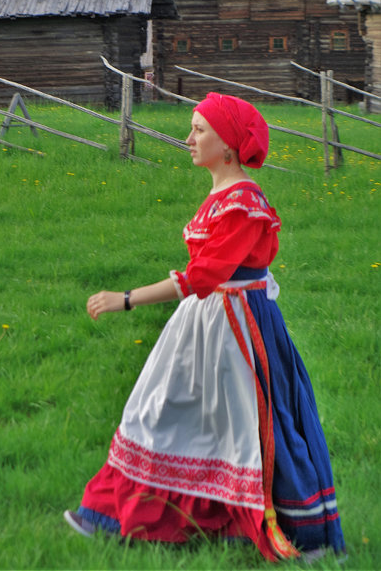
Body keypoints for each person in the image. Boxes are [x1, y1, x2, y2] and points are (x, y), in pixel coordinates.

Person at [64, 93, 345, 561]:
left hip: (236, 327)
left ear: (229, 145)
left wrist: (127, 299)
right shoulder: (222, 195)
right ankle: (113, 515)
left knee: (241, 427)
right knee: (163, 415)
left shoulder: (244, 200)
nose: (188, 139)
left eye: (199, 130)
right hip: (204, 322)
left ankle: (278, 531)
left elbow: (203, 276)